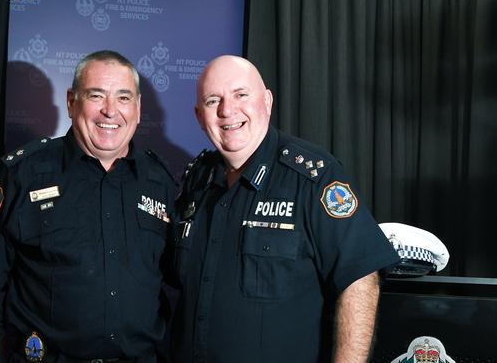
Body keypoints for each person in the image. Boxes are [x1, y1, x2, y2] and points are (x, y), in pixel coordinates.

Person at [171, 55, 399, 363]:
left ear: (267, 101)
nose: (227, 110)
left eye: (241, 95)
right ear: (200, 116)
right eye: (214, 101)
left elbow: (359, 277)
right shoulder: (195, 179)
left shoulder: (313, 177)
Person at [0, 50, 176, 363]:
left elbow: (176, 287)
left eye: (123, 97)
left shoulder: (161, 182)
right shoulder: (23, 174)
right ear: (72, 101)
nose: (110, 111)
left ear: (138, 108)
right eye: (96, 95)